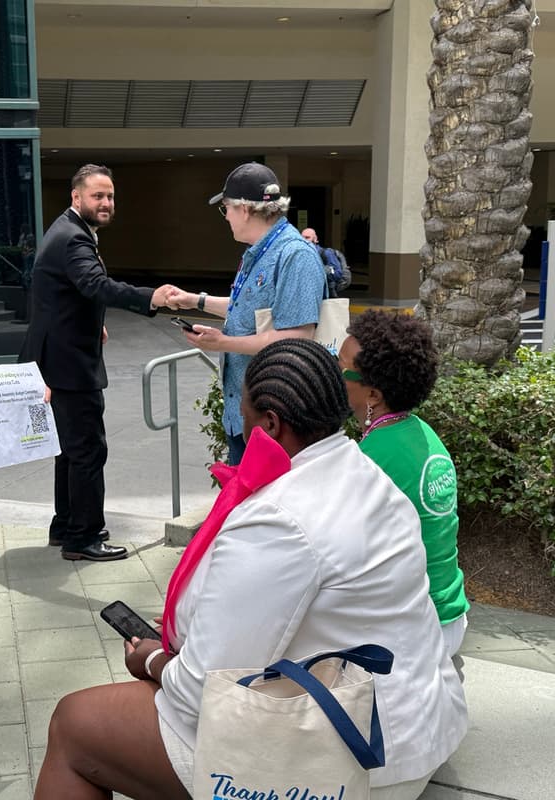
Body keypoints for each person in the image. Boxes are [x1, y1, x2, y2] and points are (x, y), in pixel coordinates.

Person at [33, 338, 468, 800]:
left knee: (74, 724)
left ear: (271, 424)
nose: (239, 430)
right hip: (416, 725)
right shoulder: (367, 476)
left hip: (350, 760)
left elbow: (198, 691)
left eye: (242, 417)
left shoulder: (280, 519)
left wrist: (154, 660)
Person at [19, 164, 176, 562]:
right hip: (70, 365)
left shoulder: (65, 230)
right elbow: (94, 285)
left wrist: (94, 323)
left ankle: (67, 525)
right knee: (87, 450)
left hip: (58, 356)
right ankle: (83, 538)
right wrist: (150, 298)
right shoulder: (73, 238)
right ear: (77, 197)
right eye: (98, 196)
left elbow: (64, 293)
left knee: (70, 451)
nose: (106, 203)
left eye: (110, 196)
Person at [166, 162, 326, 465]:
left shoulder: (295, 255)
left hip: (276, 422)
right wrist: (194, 300)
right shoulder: (262, 250)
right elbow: (247, 306)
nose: (225, 216)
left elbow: (296, 337)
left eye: (226, 207)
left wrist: (222, 342)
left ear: (245, 209)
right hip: (249, 416)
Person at [339, 310, 470, 656]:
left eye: (341, 367)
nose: (335, 375)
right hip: (450, 613)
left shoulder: (370, 459)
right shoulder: (422, 432)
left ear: (373, 395)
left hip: (416, 631)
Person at [301, 226, 350, 298]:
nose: (304, 240)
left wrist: (324, 271)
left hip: (326, 293)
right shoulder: (302, 254)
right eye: (302, 238)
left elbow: (338, 274)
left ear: (315, 239)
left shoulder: (326, 253)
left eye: (307, 237)